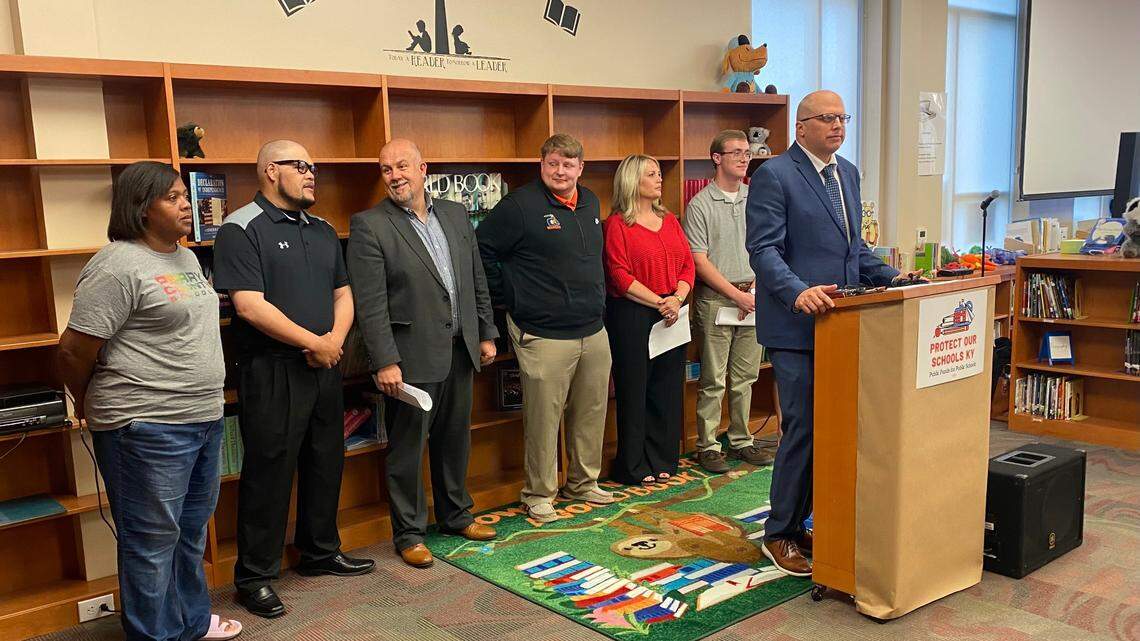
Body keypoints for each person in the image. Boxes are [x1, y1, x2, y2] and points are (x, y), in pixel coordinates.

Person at [57, 161, 242, 641]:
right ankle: (156, 635)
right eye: (173, 197)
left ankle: (191, 624)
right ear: (141, 209)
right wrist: (85, 401)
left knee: (190, 532)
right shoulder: (116, 265)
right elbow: (75, 349)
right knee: (151, 543)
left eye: (186, 194)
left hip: (202, 418)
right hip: (145, 426)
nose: (188, 204)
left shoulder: (184, 258)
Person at [746, 91, 920, 577]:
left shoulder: (847, 172)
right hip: (796, 324)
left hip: (843, 324)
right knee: (802, 427)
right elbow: (762, 250)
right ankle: (778, 533)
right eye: (827, 118)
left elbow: (852, 249)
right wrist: (797, 291)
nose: (838, 126)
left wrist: (891, 276)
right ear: (801, 127)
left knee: (833, 428)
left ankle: (804, 521)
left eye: (843, 117)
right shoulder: (774, 175)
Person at [213, 140, 373, 619]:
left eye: (313, 167)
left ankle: (319, 552)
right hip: (272, 369)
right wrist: (314, 341)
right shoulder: (240, 228)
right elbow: (249, 305)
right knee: (270, 472)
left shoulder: (322, 229)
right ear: (269, 170)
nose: (311, 174)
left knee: (327, 458)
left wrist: (334, 340)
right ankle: (255, 576)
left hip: (325, 363)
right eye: (300, 166)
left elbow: (343, 293)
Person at [346, 139, 499, 569]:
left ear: (422, 168)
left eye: (402, 166)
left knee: (455, 439)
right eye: (386, 169)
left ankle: (456, 515)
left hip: (461, 348)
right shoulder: (369, 225)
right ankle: (409, 533)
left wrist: (485, 332)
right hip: (409, 358)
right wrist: (384, 360)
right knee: (408, 450)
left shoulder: (453, 214)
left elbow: (475, 279)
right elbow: (370, 303)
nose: (395, 175)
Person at [477, 133, 615, 522]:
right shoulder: (519, 206)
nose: (560, 171)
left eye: (568, 165)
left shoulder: (589, 201)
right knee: (543, 418)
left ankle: (583, 482)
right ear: (542, 165)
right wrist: (509, 295)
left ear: (580, 169)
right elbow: (482, 249)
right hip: (542, 333)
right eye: (552, 163)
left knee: (591, 410)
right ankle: (538, 493)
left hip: (593, 328)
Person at [683, 130, 775, 474]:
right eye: (735, 152)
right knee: (713, 378)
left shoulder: (757, 198)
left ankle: (741, 439)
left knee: (745, 377)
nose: (743, 158)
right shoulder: (701, 205)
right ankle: (707, 444)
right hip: (717, 300)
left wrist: (752, 290)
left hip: (753, 297)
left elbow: (771, 246)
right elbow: (699, 260)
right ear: (716, 158)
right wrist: (736, 294)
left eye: (747, 153)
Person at [603, 154, 694, 485]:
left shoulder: (669, 219)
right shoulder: (617, 225)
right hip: (635, 314)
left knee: (667, 389)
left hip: (673, 311)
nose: (660, 179)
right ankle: (633, 464)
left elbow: (687, 265)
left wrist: (677, 299)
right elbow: (618, 276)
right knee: (635, 389)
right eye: (652, 174)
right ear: (632, 181)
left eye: (659, 174)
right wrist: (660, 302)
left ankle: (662, 458)